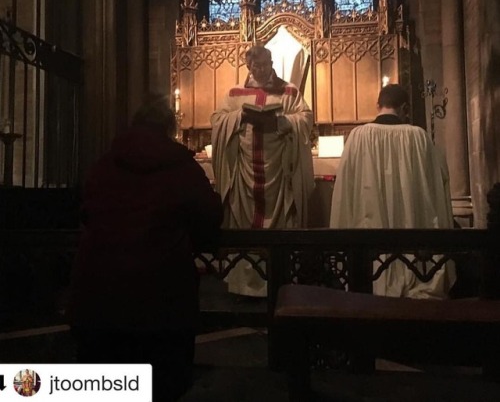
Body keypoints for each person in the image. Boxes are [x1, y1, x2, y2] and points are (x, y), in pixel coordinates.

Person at [68, 94, 223, 401]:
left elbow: (86, 210)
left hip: (97, 298)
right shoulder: (181, 166)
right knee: (161, 387)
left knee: (105, 389)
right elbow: (209, 217)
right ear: (169, 128)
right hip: (160, 304)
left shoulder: (104, 163)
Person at [330, 84, 456, 299]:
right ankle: (413, 277)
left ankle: (376, 279)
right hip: (410, 231)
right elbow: (435, 182)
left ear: (378, 105)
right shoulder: (418, 136)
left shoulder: (358, 136)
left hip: (370, 235)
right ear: (405, 108)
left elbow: (345, 187)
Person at [211, 45, 315, 297]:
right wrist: (239, 117)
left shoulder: (289, 91)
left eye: (265, 65)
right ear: (248, 66)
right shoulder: (235, 93)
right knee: (244, 223)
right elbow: (217, 119)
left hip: (279, 172)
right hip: (245, 172)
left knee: (281, 219)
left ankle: (279, 282)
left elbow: (306, 118)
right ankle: (243, 286)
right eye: (255, 66)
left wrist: (281, 121)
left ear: (271, 63)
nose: (260, 70)